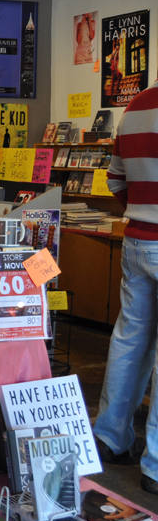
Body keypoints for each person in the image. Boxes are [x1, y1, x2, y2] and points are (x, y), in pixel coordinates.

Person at [95, 80, 158, 495]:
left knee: (129, 339)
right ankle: (155, 465)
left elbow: (115, 180)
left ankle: (110, 437)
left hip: (137, 240)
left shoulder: (138, 104)